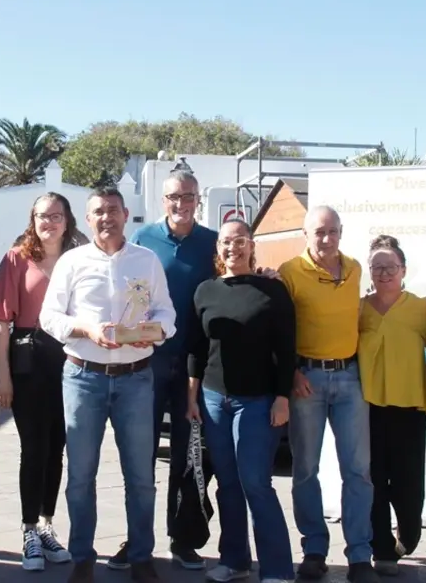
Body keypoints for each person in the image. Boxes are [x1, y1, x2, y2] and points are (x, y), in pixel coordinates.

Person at [40, 186, 176, 583]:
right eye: (98, 211)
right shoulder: (72, 261)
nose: (106, 218)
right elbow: (50, 317)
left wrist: (157, 332)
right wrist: (85, 327)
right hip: (83, 378)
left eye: (113, 210)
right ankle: (83, 556)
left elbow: (166, 310)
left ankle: (141, 556)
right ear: (88, 219)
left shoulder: (146, 261)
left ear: (125, 214)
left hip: (136, 379)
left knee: (140, 477)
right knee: (81, 475)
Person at [116, 170, 217, 571]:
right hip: (147, 363)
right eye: (175, 196)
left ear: (197, 199)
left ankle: (183, 538)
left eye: (189, 196)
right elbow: (127, 294)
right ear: (164, 201)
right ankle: (137, 540)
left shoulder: (212, 243)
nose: (182, 203)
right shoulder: (143, 241)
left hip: (196, 368)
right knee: (139, 457)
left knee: (187, 456)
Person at [186, 219, 296, 583]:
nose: (232, 247)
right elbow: (197, 349)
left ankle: (277, 568)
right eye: (225, 242)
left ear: (251, 245)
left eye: (239, 240)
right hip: (215, 399)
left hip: (258, 401)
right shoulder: (205, 291)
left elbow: (286, 348)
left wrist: (283, 398)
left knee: (256, 482)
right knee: (227, 484)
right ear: (218, 249)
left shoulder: (272, 291)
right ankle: (234, 561)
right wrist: (193, 395)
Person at [277, 205, 378, 583]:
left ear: (341, 232)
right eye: (319, 232)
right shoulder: (290, 272)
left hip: (350, 377)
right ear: (306, 234)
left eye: (332, 231)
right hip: (308, 380)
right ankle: (314, 549)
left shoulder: (354, 269)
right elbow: (279, 329)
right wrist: (290, 373)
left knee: (358, 471)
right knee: (305, 470)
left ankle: (359, 556)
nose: (326, 238)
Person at [0, 193, 81, 572]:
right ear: (33, 219)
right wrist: (4, 374)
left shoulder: (80, 258)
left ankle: (46, 523)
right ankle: (28, 528)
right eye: (42, 216)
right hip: (28, 362)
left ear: (67, 220)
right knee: (33, 447)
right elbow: (1, 322)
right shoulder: (16, 258)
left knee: (57, 448)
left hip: (71, 360)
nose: (49, 223)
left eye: (56, 216)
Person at [357, 235, 426, 577]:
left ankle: (409, 532)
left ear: (403, 270)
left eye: (390, 267)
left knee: (408, 484)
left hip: (409, 408)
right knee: (373, 481)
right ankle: (382, 548)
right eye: (377, 267)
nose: (384, 273)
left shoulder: (419, 308)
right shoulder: (359, 308)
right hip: (367, 408)